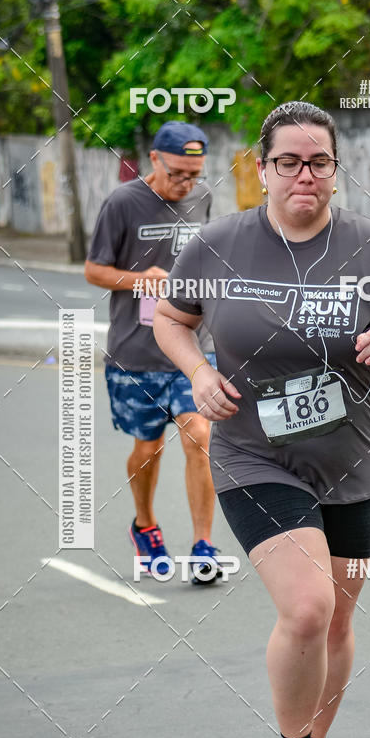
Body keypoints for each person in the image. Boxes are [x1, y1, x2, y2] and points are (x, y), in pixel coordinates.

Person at [153, 102, 370, 738]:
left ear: (335, 172)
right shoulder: (217, 244)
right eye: (288, 162)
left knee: (338, 625)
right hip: (254, 454)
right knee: (307, 608)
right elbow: (170, 317)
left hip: (350, 461)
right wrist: (195, 371)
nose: (303, 175)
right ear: (262, 168)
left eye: (318, 162)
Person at [85, 121, 223, 584]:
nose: (186, 183)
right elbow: (94, 270)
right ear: (155, 160)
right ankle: (144, 525)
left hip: (192, 349)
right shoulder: (122, 203)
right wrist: (144, 278)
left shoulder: (201, 198)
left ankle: (203, 545)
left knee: (199, 437)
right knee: (148, 449)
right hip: (136, 352)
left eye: (194, 173)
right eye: (178, 173)